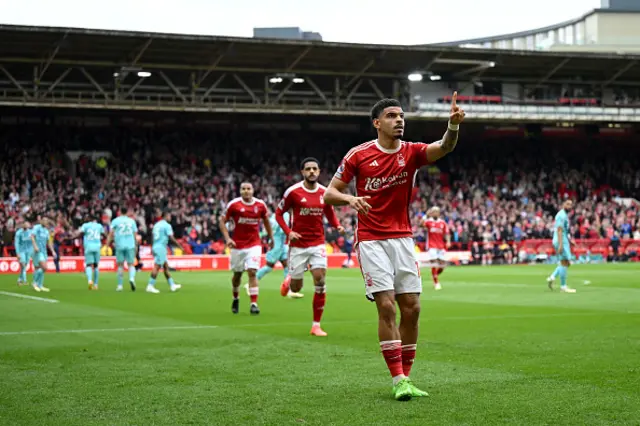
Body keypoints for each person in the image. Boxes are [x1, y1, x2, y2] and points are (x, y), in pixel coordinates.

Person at [324, 93, 465, 400]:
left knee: (412, 309)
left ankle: (408, 377)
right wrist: (350, 198)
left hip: (402, 238)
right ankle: (398, 379)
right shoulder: (357, 155)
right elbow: (329, 194)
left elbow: (444, 148)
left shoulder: (412, 152)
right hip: (371, 239)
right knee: (386, 305)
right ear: (377, 123)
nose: (399, 120)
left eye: (401, 115)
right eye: (391, 115)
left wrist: (452, 127)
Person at [276, 157, 344, 337]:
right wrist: (288, 231)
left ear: (319, 171)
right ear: (302, 172)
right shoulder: (293, 192)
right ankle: (290, 279)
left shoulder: (325, 192)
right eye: (308, 169)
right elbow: (278, 214)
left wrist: (337, 225)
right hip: (298, 245)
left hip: (317, 243)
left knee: (320, 281)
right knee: (297, 288)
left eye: (315, 169)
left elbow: (329, 212)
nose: (312, 172)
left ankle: (316, 325)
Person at [219, 182, 273, 314]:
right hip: (237, 246)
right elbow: (221, 221)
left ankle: (254, 303)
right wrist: (228, 239)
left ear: (253, 190)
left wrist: (271, 237)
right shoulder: (234, 205)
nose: (246, 191)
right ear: (240, 191)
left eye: (248, 189)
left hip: (254, 244)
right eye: (243, 189)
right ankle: (235, 298)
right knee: (237, 275)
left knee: (252, 272)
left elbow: (266, 221)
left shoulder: (260, 205)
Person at [246, 211, 303, 298]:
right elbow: (277, 227)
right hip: (276, 242)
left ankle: (289, 290)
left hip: (283, 243)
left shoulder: (288, 214)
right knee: (269, 267)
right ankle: (251, 282)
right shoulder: (283, 214)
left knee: (287, 266)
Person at [147, 211, 184, 294]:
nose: (170, 217)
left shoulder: (156, 225)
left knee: (165, 266)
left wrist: (152, 247)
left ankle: (172, 285)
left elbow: (152, 236)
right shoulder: (167, 226)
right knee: (157, 267)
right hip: (161, 248)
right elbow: (171, 237)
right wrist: (179, 246)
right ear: (166, 216)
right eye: (169, 216)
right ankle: (150, 285)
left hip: (156, 246)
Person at [547, 199, 577, 293]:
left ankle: (552, 277)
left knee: (566, 263)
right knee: (565, 263)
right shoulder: (561, 215)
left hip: (563, 241)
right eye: (567, 204)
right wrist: (560, 245)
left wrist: (569, 241)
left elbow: (564, 230)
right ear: (563, 204)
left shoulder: (564, 215)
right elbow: (559, 230)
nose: (569, 206)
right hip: (561, 241)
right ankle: (563, 287)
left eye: (571, 204)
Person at [106, 207, 139, 292]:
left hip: (120, 245)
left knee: (120, 265)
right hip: (130, 244)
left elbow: (111, 234)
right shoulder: (132, 221)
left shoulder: (115, 221)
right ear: (127, 212)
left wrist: (107, 245)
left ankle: (120, 286)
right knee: (131, 264)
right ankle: (131, 279)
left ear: (120, 212)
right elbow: (135, 235)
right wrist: (136, 245)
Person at [423, 206, 450, 290]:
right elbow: (421, 225)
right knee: (434, 263)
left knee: (442, 266)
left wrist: (448, 241)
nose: (435, 213)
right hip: (431, 246)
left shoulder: (442, 223)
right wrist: (426, 215)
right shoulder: (428, 222)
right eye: (433, 211)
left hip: (441, 246)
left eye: (436, 211)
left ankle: (434, 275)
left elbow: (446, 233)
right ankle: (436, 283)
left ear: (438, 213)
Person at [76, 216, 105, 290]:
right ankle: (96, 284)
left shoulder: (85, 225)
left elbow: (81, 234)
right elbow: (104, 234)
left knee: (89, 265)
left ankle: (89, 281)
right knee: (96, 265)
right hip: (97, 246)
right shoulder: (99, 226)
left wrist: (73, 237)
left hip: (89, 246)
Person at [31, 218, 56, 292]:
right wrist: (35, 246)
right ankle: (34, 283)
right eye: (44, 220)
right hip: (37, 251)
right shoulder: (37, 227)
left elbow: (49, 242)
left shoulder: (46, 231)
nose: (45, 222)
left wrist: (53, 251)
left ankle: (40, 285)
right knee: (44, 267)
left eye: (47, 221)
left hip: (44, 251)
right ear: (41, 221)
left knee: (39, 268)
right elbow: (32, 236)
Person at [14, 220, 34, 286]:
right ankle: (25, 281)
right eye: (26, 224)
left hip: (28, 251)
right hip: (21, 251)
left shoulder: (30, 232)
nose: (27, 225)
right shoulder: (19, 233)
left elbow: (32, 241)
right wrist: (17, 253)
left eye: (28, 224)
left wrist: (32, 250)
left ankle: (19, 280)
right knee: (23, 264)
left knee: (24, 266)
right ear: (23, 225)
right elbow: (16, 243)